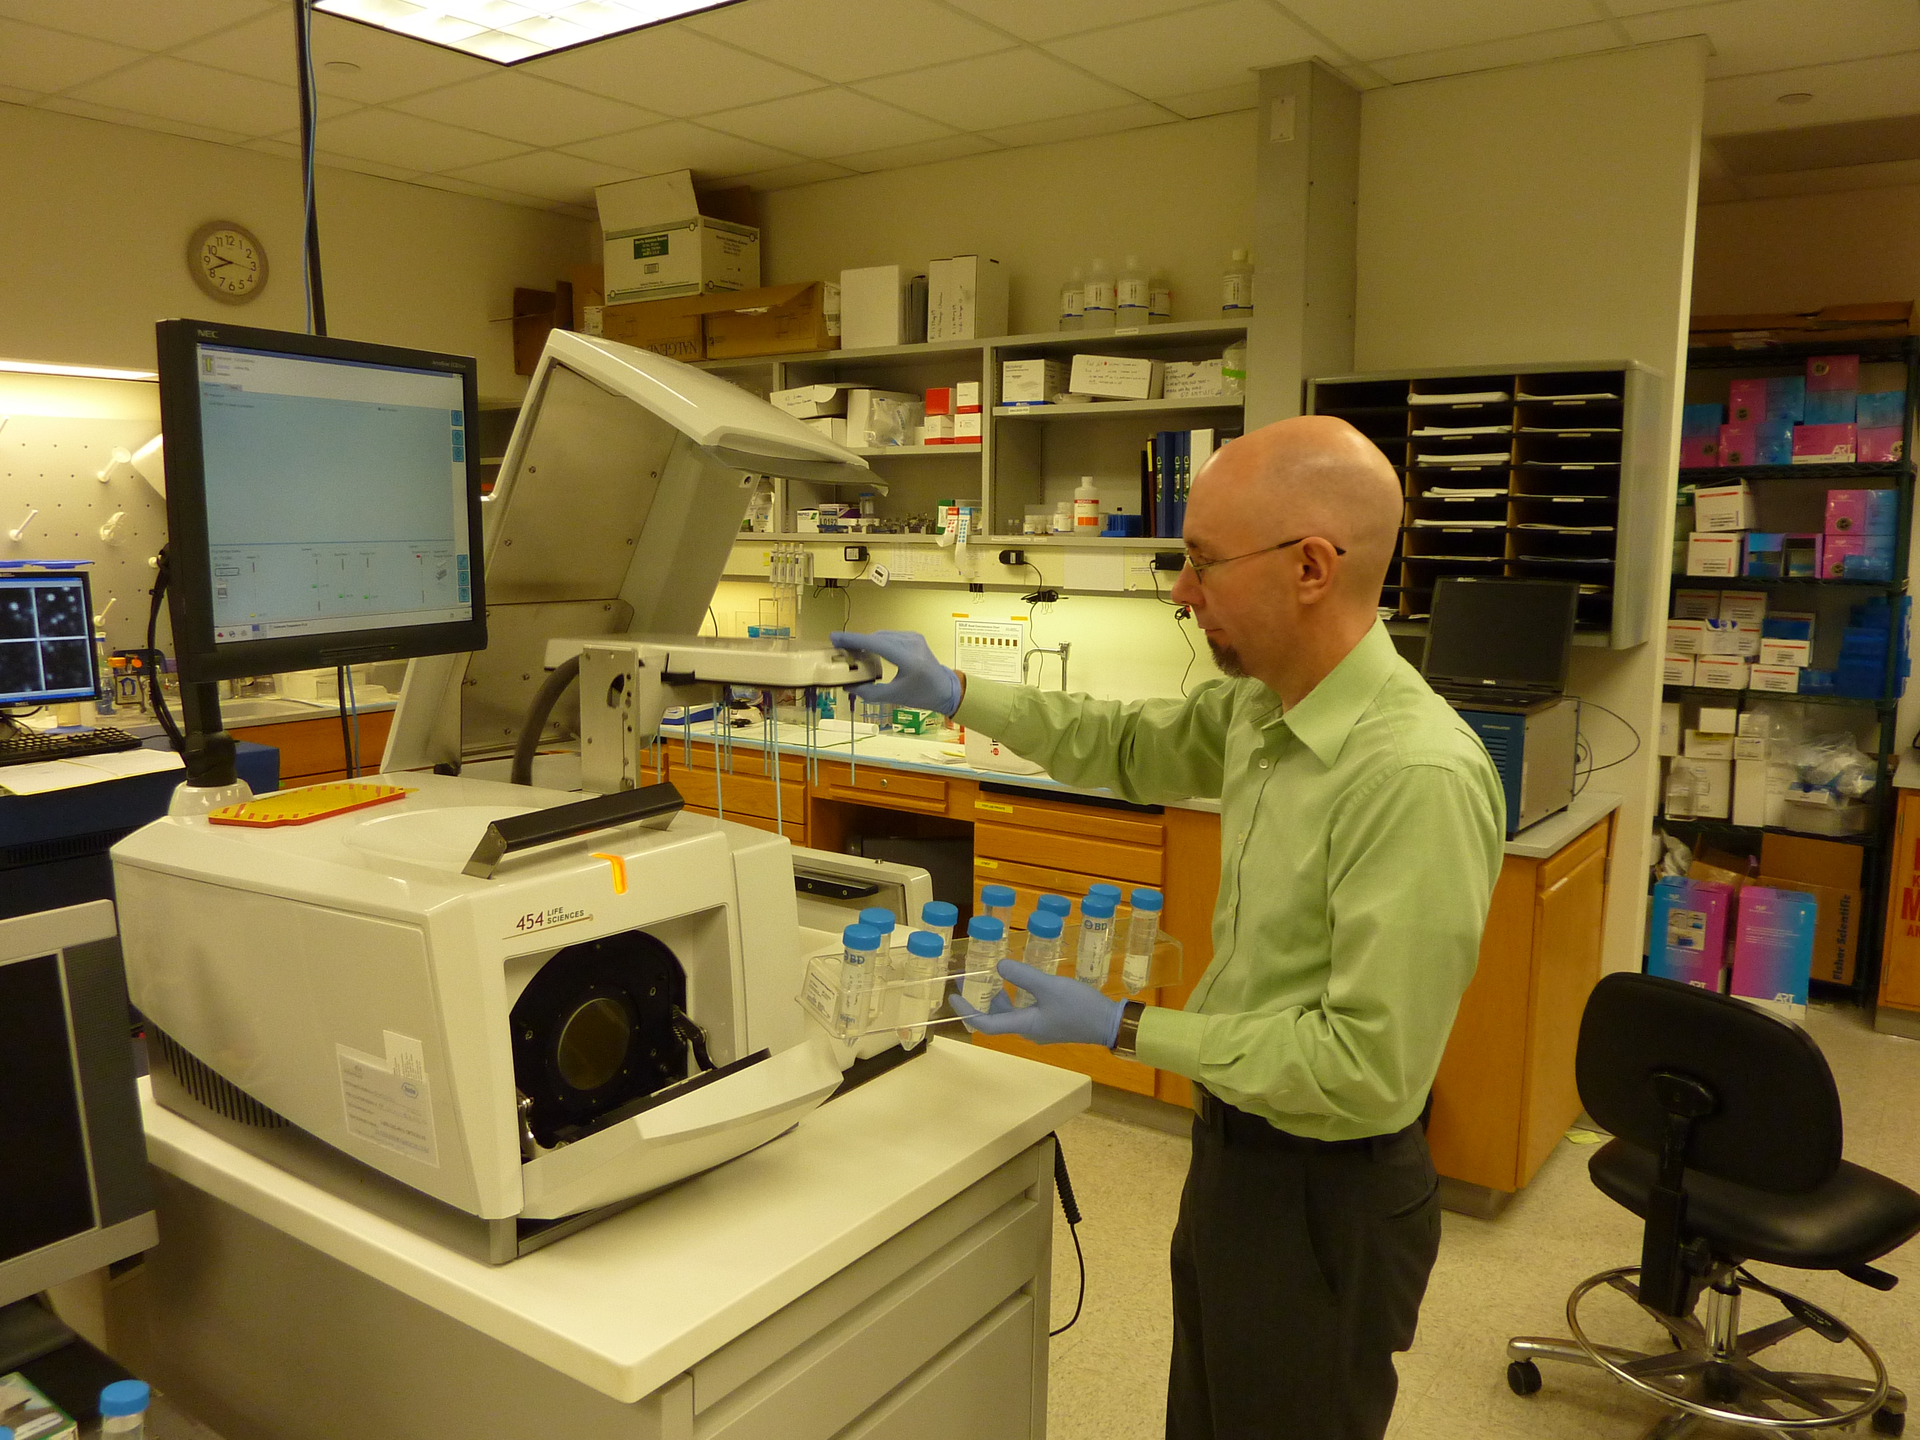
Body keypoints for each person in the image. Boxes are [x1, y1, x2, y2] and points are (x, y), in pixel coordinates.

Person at [831, 414, 1506, 1440]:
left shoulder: (1412, 776)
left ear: (1311, 568)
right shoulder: (1266, 710)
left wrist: (1124, 1027)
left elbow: (1366, 1069)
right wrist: (959, 691)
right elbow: (1120, 744)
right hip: (1237, 1146)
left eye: (1203, 562)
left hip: (1327, 1191)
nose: (1183, 592)